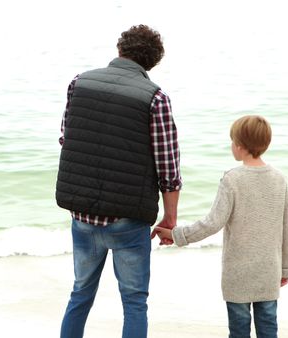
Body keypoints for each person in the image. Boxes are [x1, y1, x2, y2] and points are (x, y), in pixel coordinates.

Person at [55, 24, 181, 338]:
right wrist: (170, 218)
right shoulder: (155, 98)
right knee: (135, 301)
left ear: (120, 50)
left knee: (80, 293)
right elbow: (168, 166)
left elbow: (65, 138)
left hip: (82, 215)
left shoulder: (78, 83)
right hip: (128, 219)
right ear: (151, 62)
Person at [153, 115, 288, 338]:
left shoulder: (232, 179)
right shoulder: (279, 179)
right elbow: (286, 228)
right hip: (269, 270)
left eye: (232, 141)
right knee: (269, 330)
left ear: (240, 146)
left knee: (238, 332)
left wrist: (177, 234)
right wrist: (285, 269)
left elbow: (212, 223)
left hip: (238, 273)